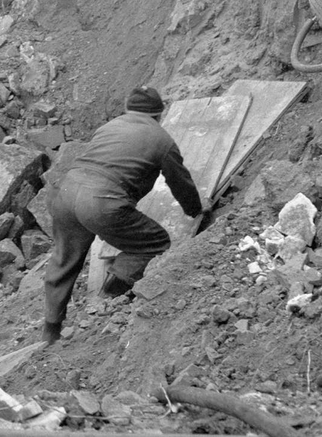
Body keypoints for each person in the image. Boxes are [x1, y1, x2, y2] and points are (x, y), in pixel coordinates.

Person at [41, 86, 202, 346]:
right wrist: (195, 210)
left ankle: (51, 330)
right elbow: (180, 182)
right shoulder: (162, 140)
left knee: (64, 258)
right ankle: (112, 290)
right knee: (155, 243)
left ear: (129, 109)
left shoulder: (109, 127)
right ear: (159, 114)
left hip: (66, 192)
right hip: (102, 202)